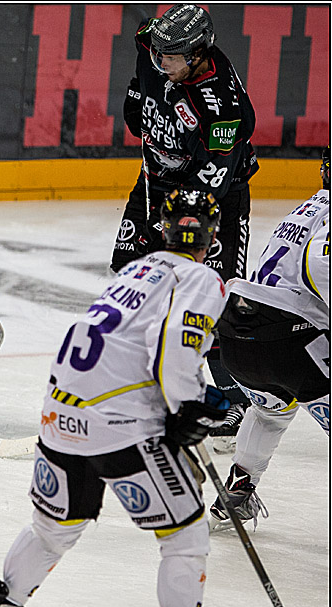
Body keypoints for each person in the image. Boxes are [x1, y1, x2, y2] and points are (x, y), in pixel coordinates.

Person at [0, 190, 232, 607]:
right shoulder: (201, 278)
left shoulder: (137, 270)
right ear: (212, 235)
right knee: (185, 537)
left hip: (59, 414)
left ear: (162, 227)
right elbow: (177, 345)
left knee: (53, 528)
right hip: (120, 424)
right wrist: (187, 409)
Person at [113, 4, 259, 450]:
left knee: (212, 292)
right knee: (127, 271)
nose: (161, 62)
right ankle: (135, 382)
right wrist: (139, 95)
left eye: (171, 58)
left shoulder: (222, 106)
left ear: (197, 54)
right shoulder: (154, 44)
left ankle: (232, 399)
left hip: (214, 199)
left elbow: (211, 178)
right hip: (154, 182)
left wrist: (175, 231)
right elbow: (140, 95)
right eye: (158, 53)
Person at [208, 147, 330, 532]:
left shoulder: (312, 205)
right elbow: (320, 263)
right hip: (289, 339)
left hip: (240, 337)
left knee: (270, 414)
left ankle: (238, 490)